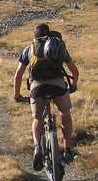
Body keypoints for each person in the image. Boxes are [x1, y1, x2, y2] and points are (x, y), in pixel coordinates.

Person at [13, 23, 79, 170]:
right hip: (58, 86)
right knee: (65, 113)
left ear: (35, 36)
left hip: (37, 87)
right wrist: (73, 84)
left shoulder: (29, 49)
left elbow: (18, 75)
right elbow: (74, 70)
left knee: (37, 118)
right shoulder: (58, 46)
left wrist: (17, 95)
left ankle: (38, 148)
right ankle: (67, 148)